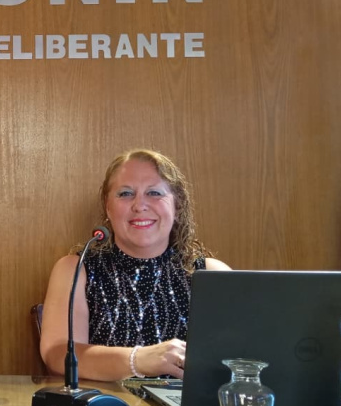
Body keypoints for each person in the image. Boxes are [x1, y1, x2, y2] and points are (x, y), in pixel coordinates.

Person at [39, 149, 230, 381]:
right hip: (107, 400)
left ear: (177, 206)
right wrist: (138, 360)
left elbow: (242, 359)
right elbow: (57, 354)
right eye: (126, 193)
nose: (139, 205)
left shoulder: (212, 275)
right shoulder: (75, 270)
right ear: (108, 208)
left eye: (154, 193)